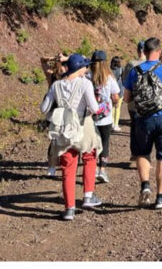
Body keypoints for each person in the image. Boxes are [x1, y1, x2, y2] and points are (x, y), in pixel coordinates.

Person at [123, 38, 162, 209]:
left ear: (144, 50)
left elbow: (126, 98)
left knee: (142, 153)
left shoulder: (135, 71)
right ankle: (161, 197)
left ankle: (145, 186)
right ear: (159, 51)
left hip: (143, 119)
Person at [41, 53, 102, 220]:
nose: (86, 69)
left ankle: (69, 208)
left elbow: (44, 108)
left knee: (68, 167)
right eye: (85, 67)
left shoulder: (56, 85)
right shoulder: (85, 84)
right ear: (80, 68)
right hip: (83, 125)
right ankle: (88, 195)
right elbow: (94, 107)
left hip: (64, 129)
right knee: (89, 156)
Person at [90, 51, 121, 183]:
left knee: (92, 144)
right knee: (105, 143)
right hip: (106, 117)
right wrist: (113, 103)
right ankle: (102, 170)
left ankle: (92, 168)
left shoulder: (87, 76)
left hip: (90, 116)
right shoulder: (109, 78)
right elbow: (115, 97)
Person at [110, 56, 125, 133]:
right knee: (117, 108)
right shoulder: (121, 69)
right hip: (119, 90)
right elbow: (123, 79)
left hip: (111, 91)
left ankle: (111, 124)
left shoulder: (109, 70)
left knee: (111, 107)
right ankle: (116, 124)